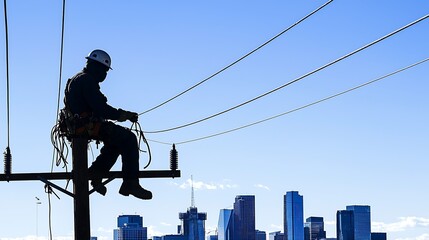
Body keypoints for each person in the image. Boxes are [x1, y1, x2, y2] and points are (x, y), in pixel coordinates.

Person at [63, 49, 152, 200]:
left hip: (81, 125)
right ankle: (130, 183)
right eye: (104, 70)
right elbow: (101, 108)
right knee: (129, 138)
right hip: (85, 125)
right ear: (96, 67)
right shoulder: (87, 81)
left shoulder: (78, 79)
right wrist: (123, 115)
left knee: (116, 143)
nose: (104, 74)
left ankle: (96, 173)